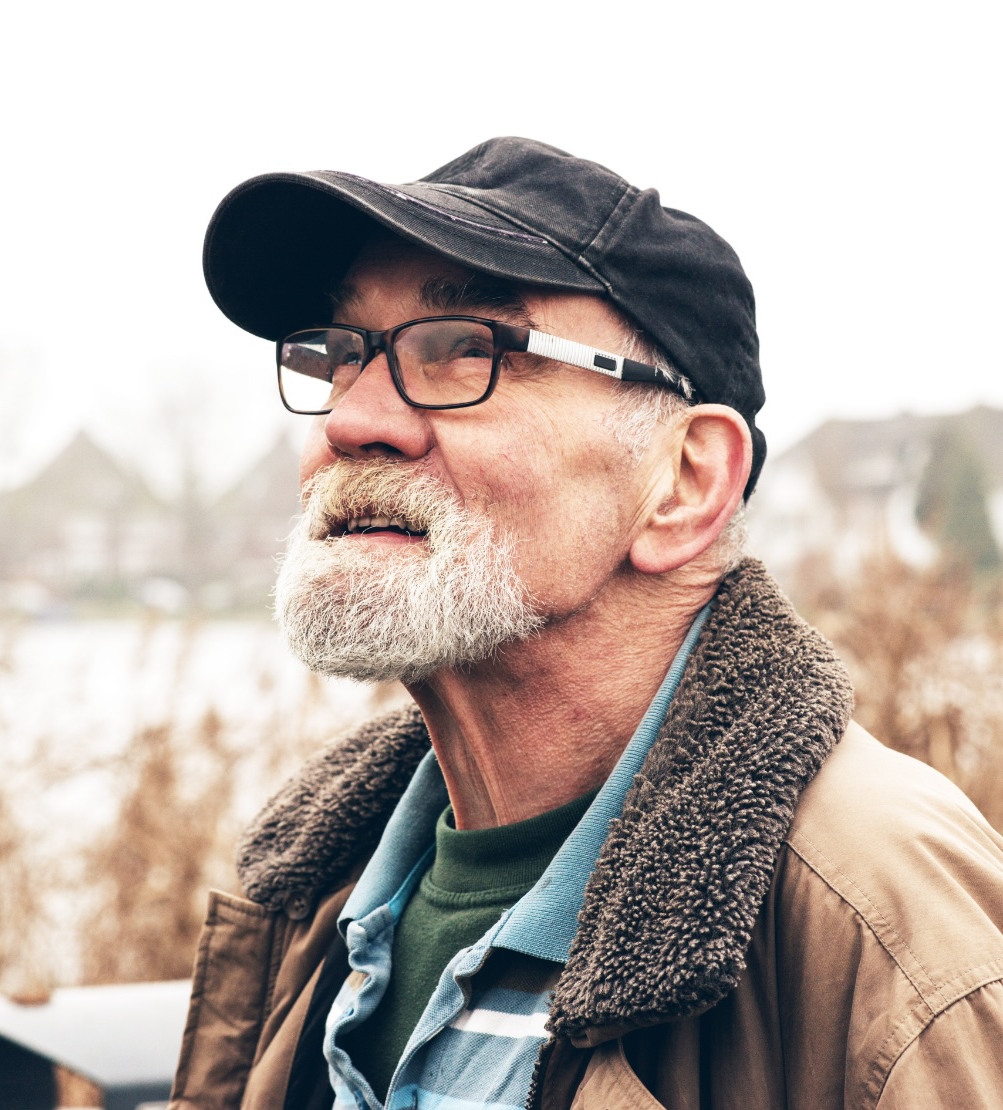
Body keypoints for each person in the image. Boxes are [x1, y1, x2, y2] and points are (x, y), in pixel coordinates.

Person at [167, 138, 1003, 1110]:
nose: (351, 421)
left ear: (683, 485)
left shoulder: (883, 924)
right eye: (340, 351)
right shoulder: (311, 903)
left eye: (459, 349)